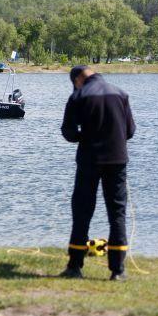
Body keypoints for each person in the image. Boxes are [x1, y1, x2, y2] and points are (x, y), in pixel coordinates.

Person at [60, 65, 136, 281]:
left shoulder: (78, 96)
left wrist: (84, 136)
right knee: (117, 214)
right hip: (117, 160)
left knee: (82, 212)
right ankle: (118, 271)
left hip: (89, 160)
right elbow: (130, 131)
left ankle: (75, 267)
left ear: (77, 80)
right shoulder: (121, 93)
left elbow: (68, 132)